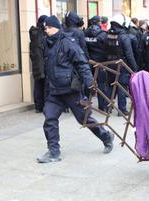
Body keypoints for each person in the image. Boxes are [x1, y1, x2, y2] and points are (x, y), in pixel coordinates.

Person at [37, 15, 114, 163]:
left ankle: (106, 136)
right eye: (45, 28)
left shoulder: (68, 43)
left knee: (84, 119)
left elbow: (82, 64)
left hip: (70, 90)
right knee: (50, 119)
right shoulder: (48, 44)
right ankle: (54, 152)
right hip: (55, 91)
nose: (46, 30)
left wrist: (91, 83)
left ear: (57, 28)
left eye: (49, 28)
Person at [105, 14, 138, 116]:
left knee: (110, 85)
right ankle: (122, 110)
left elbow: (104, 50)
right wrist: (134, 68)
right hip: (121, 65)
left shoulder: (107, 34)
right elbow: (129, 54)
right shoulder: (124, 37)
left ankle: (108, 108)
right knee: (121, 86)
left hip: (110, 63)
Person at [84, 15, 108, 111]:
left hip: (89, 61)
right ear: (99, 22)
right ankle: (102, 106)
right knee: (101, 84)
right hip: (100, 62)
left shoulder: (85, 33)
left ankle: (86, 105)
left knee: (88, 83)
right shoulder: (103, 34)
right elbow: (106, 48)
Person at [29, 15, 48, 113]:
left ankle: (38, 106)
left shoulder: (34, 34)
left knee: (37, 85)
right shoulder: (42, 35)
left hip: (36, 64)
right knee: (45, 85)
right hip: (43, 64)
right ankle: (43, 106)